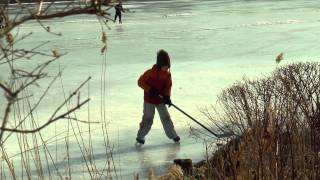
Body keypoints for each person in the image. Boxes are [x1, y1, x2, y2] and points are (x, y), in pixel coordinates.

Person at [136, 49, 180, 145]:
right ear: (160, 65)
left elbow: (168, 87)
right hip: (149, 100)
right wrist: (150, 89)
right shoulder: (150, 73)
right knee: (148, 119)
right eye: (164, 66)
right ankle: (140, 136)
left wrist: (167, 97)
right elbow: (140, 82)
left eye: (167, 67)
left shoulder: (167, 75)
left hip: (160, 100)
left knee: (166, 118)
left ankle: (173, 135)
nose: (166, 69)